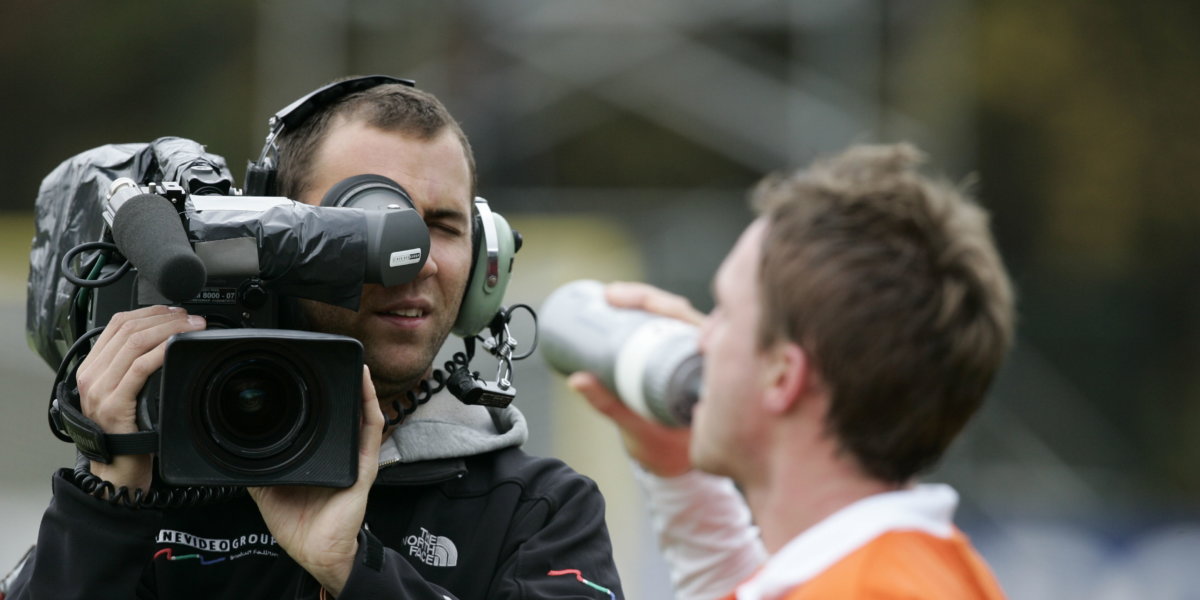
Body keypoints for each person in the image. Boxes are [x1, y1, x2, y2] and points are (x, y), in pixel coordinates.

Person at [8, 78, 623, 599]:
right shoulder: (147, 484)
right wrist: (106, 505)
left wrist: (356, 569)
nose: (415, 260)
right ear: (269, 235)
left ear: (489, 256)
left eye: (442, 226)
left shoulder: (539, 510)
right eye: (370, 222)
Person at [569, 143, 1014, 599]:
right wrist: (677, 468)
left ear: (782, 375)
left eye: (725, 312)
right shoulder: (908, 570)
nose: (701, 336)